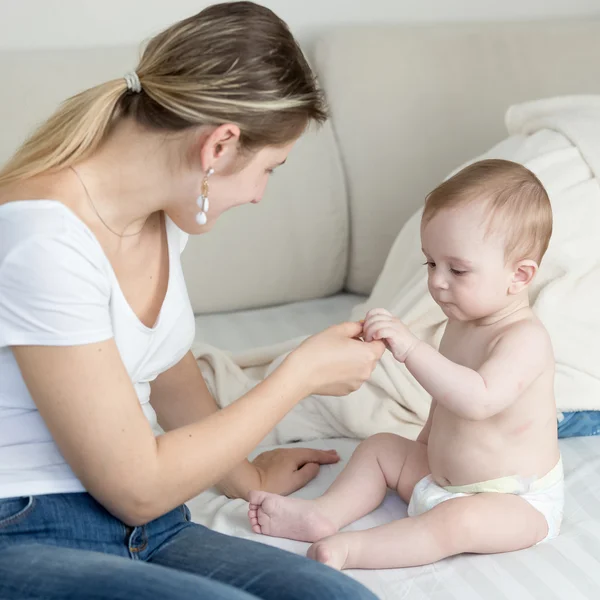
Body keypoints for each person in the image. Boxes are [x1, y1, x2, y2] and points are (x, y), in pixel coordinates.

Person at [0, 3, 385, 598]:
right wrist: (297, 376)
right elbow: (136, 487)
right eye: (269, 170)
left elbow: (168, 370)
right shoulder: (41, 238)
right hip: (28, 525)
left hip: (152, 527)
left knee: (338, 596)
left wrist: (247, 476)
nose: (259, 195)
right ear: (220, 146)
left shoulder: (163, 214)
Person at [248, 159, 564, 570]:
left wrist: (410, 348)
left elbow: (477, 400)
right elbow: (444, 402)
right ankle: (323, 514)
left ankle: (352, 550)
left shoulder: (525, 340)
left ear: (519, 276)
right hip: (440, 474)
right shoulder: (461, 323)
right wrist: (422, 446)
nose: (436, 281)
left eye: (457, 269)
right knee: (380, 447)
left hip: (512, 499)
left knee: (457, 521)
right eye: (430, 264)